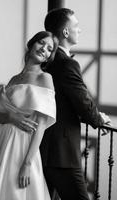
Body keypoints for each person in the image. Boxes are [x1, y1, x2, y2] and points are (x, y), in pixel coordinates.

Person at [40, 8, 111, 200]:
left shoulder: (46, 62)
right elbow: (81, 100)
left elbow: (63, 100)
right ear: (65, 32)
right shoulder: (67, 64)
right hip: (61, 152)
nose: (79, 30)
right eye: (76, 26)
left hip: (44, 147)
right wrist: (98, 119)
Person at [0, 31, 58, 200]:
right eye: (41, 43)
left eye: (49, 49)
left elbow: (40, 126)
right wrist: (11, 118)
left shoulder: (45, 78)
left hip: (24, 146)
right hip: (3, 142)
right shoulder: (13, 79)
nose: (43, 49)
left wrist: (27, 163)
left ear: (48, 58)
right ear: (31, 45)